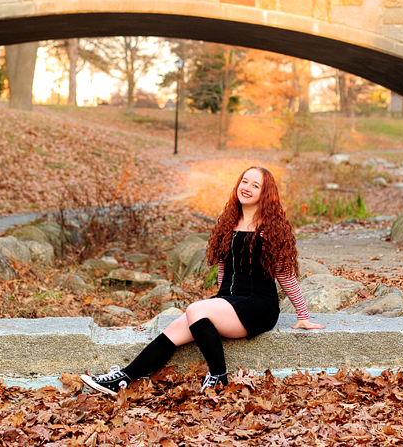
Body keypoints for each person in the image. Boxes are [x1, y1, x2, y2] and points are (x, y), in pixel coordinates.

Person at [81, 166, 324, 396]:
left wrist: (303, 316)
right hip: (231, 301)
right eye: (244, 181)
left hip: (259, 306)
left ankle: (219, 376)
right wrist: (218, 303)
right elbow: (223, 269)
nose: (246, 187)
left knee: (195, 309)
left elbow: (285, 275)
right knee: (176, 328)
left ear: (265, 194)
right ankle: (122, 379)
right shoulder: (229, 223)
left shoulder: (269, 229)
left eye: (255, 185)